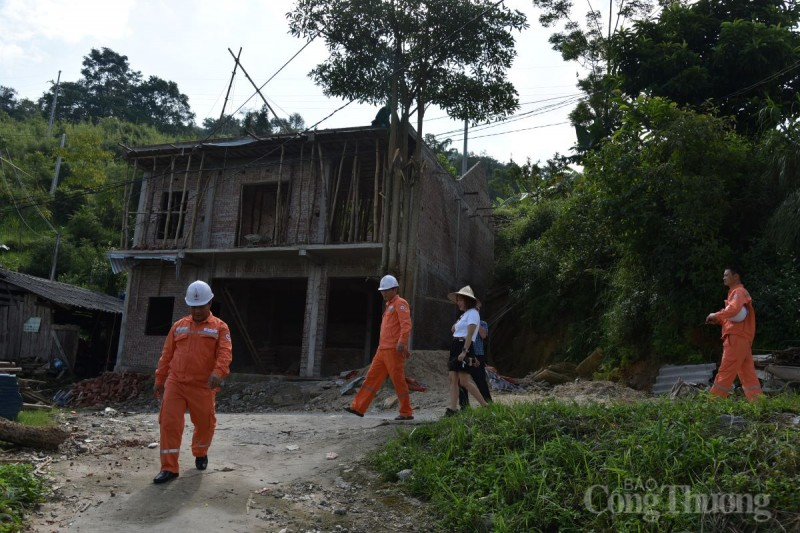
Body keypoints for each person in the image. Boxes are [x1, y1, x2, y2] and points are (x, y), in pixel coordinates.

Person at [152, 280, 233, 484]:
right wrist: (160, 379)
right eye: (193, 307)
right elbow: (166, 355)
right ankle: (169, 468)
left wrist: (218, 372)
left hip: (203, 385)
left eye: (201, 306)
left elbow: (225, 354)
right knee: (169, 423)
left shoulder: (220, 328)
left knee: (205, 423)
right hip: (176, 383)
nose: (197, 311)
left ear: (210, 303)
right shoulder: (178, 327)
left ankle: (200, 452)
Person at [344, 274, 414, 420]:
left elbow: (406, 325)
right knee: (371, 378)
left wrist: (402, 343)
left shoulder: (401, 303)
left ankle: (406, 412)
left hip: (393, 350)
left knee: (398, 381)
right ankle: (357, 407)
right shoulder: (389, 306)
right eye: (382, 291)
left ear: (394, 289)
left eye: (386, 290)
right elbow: (394, 329)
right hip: (382, 349)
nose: (383, 293)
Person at [705, 266, 763, 401]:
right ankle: (759, 403)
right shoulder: (737, 293)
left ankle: (713, 403)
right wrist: (719, 320)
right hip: (742, 338)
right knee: (748, 374)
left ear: (736, 276)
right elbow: (734, 317)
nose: (723, 278)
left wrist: (716, 315)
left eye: (726, 275)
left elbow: (733, 310)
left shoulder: (738, 292)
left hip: (736, 338)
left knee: (726, 370)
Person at [446, 286, 489, 416]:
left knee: (464, 381)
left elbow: (470, 334)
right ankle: (453, 409)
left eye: (460, 300)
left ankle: (485, 405)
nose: (458, 302)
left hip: (463, 345)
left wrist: (465, 351)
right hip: (455, 345)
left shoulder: (473, 313)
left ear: (467, 300)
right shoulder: (464, 314)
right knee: (453, 379)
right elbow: (454, 329)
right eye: (457, 300)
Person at [458, 317, 492, 408]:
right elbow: (454, 330)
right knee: (461, 380)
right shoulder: (463, 321)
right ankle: (464, 405)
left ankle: (488, 402)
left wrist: (476, 323)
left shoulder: (483, 323)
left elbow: (483, 335)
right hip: (465, 354)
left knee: (480, 379)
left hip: (478, 353)